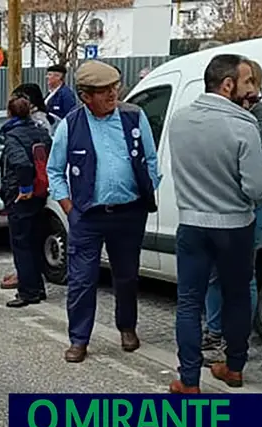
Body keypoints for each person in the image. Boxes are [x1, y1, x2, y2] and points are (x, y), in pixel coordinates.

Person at [45, 60, 161, 363]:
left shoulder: (134, 116)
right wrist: (69, 208)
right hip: (88, 216)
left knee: (126, 276)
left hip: (129, 213)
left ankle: (127, 327)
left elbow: (151, 158)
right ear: (86, 96)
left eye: (115, 87)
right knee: (82, 279)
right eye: (105, 90)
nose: (113, 94)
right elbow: (54, 171)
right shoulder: (71, 124)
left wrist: (148, 188)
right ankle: (79, 339)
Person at [167, 54, 262, 393]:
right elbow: (256, 188)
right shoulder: (244, 126)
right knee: (238, 295)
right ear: (228, 85)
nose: (254, 90)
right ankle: (234, 367)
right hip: (236, 226)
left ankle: (189, 380)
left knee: (189, 301)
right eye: (249, 82)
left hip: (192, 224)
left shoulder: (179, 120)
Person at [202, 58, 262, 363]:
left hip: (252, 208)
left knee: (245, 276)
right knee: (216, 273)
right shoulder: (228, 116)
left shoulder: (260, 119)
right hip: (223, 206)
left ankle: (236, 339)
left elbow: (253, 173)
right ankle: (215, 333)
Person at [0, 92, 52, 308]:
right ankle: (38, 288)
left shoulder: (13, 136)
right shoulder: (40, 132)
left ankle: (28, 292)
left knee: (21, 245)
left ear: (10, 112)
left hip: (21, 197)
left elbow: (22, 164)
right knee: (35, 242)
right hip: (41, 194)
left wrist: (25, 187)